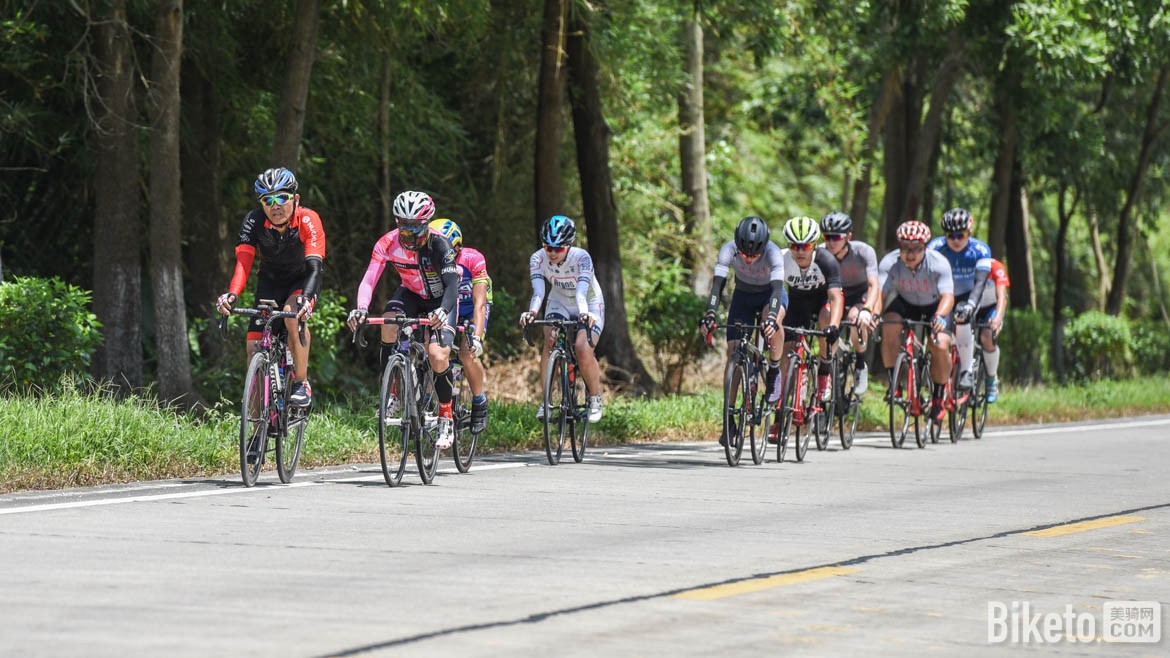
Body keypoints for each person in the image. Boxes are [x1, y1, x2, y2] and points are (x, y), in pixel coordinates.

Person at [346, 191, 461, 449]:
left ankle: (446, 416)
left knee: (438, 356)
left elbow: (453, 284)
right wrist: (361, 308)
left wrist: (443, 310)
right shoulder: (387, 243)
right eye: (404, 230)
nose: (409, 238)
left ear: (427, 224)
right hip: (411, 294)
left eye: (416, 231)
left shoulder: (439, 245)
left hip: (441, 299)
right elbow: (370, 278)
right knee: (388, 323)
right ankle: (393, 393)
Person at [216, 167, 326, 408]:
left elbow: (315, 268)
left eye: (281, 198)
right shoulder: (254, 221)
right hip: (269, 282)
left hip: (302, 280)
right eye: (268, 200)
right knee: (253, 349)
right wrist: (232, 295)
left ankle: (300, 382)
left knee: (292, 315)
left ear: (295, 199)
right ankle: (256, 431)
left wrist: (306, 301)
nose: (275, 206)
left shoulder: (308, 219)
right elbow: (243, 264)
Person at [699, 215, 787, 446]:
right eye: (744, 254)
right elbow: (717, 286)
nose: (748, 259)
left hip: (770, 295)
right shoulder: (728, 249)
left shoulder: (774, 253)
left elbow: (778, 290)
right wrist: (710, 313)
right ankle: (729, 418)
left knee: (773, 322)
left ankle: (775, 370)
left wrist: (771, 319)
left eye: (754, 255)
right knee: (734, 352)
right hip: (744, 296)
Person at [519, 214, 606, 423]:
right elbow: (539, 293)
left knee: (583, 349)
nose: (552, 252)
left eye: (558, 248)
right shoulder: (537, 258)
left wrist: (585, 314)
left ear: (570, 245)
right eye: (548, 247)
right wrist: (531, 313)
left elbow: (581, 293)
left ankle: (595, 398)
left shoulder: (582, 257)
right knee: (549, 342)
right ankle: (547, 401)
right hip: (558, 302)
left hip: (589, 302)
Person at [872, 220, 955, 423]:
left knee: (939, 344)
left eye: (916, 249)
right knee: (889, 324)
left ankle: (938, 395)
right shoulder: (889, 262)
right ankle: (895, 384)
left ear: (925, 248)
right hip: (906, 301)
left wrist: (940, 316)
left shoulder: (938, 263)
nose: (910, 254)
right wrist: (873, 314)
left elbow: (948, 296)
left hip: (935, 306)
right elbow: (879, 295)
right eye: (904, 248)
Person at [429, 218, 493, 433]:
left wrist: (477, 336)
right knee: (433, 351)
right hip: (448, 307)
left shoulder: (473, 259)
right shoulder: (431, 259)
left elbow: (480, 303)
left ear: (457, 247)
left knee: (467, 353)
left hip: (471, 308)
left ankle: (479, 400)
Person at [778, 216, 843, 407]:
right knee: (786, 356)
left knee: (826, 322)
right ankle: (780, 414)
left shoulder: (826, 259)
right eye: (794, 246)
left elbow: (836, 297)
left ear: (814, 245)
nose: (799, 251)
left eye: (805, 246)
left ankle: (824, 371)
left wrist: (834, 326)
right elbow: (773, 292)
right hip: (796, 303)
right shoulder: (781, 259)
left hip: (821, 301)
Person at [927, 208, 993, 392]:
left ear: (969, 232)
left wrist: (971, 306)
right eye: (950, 236)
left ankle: (966, 371)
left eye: (960, 235)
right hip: (944, 294)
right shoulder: (935, 247)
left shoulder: (980, 249)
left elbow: (980, 282)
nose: (956, 240)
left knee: (962, 316)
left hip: (969, 294)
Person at [819, 211, 879, 393]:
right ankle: (829, 361)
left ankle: (860, 364)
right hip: (834, 293)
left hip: (857, 294)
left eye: (836, 237)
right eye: (827, 237)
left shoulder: (864, 251)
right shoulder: (820, 253)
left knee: (856, 317)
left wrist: (868, 309)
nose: (831, 242)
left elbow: (873, 284)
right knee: (826, 319)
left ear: (848, 237)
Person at [973, 257, 1010, 402]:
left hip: (991, 307)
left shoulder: (995, 266)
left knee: (987, 336)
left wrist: (997, 319)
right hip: (972, 306)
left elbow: (1002, 296)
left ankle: (991, 379)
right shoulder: (964, 266)